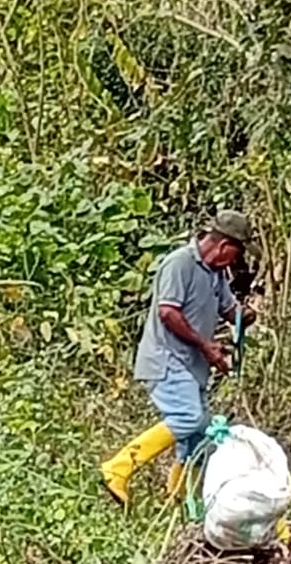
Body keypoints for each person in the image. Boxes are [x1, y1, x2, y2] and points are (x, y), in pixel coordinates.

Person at [102, 210, 257, 505]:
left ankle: (179, 497)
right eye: (237, 254)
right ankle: (118, 468)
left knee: (200, 435)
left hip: (192, 368)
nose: (235, 262)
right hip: (166, 361)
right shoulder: (180, 263)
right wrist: (206, 346)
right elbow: (168, 312)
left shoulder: (215, 274)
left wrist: (244, 316)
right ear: (224, 246)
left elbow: (229, 310)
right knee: (188, 418)